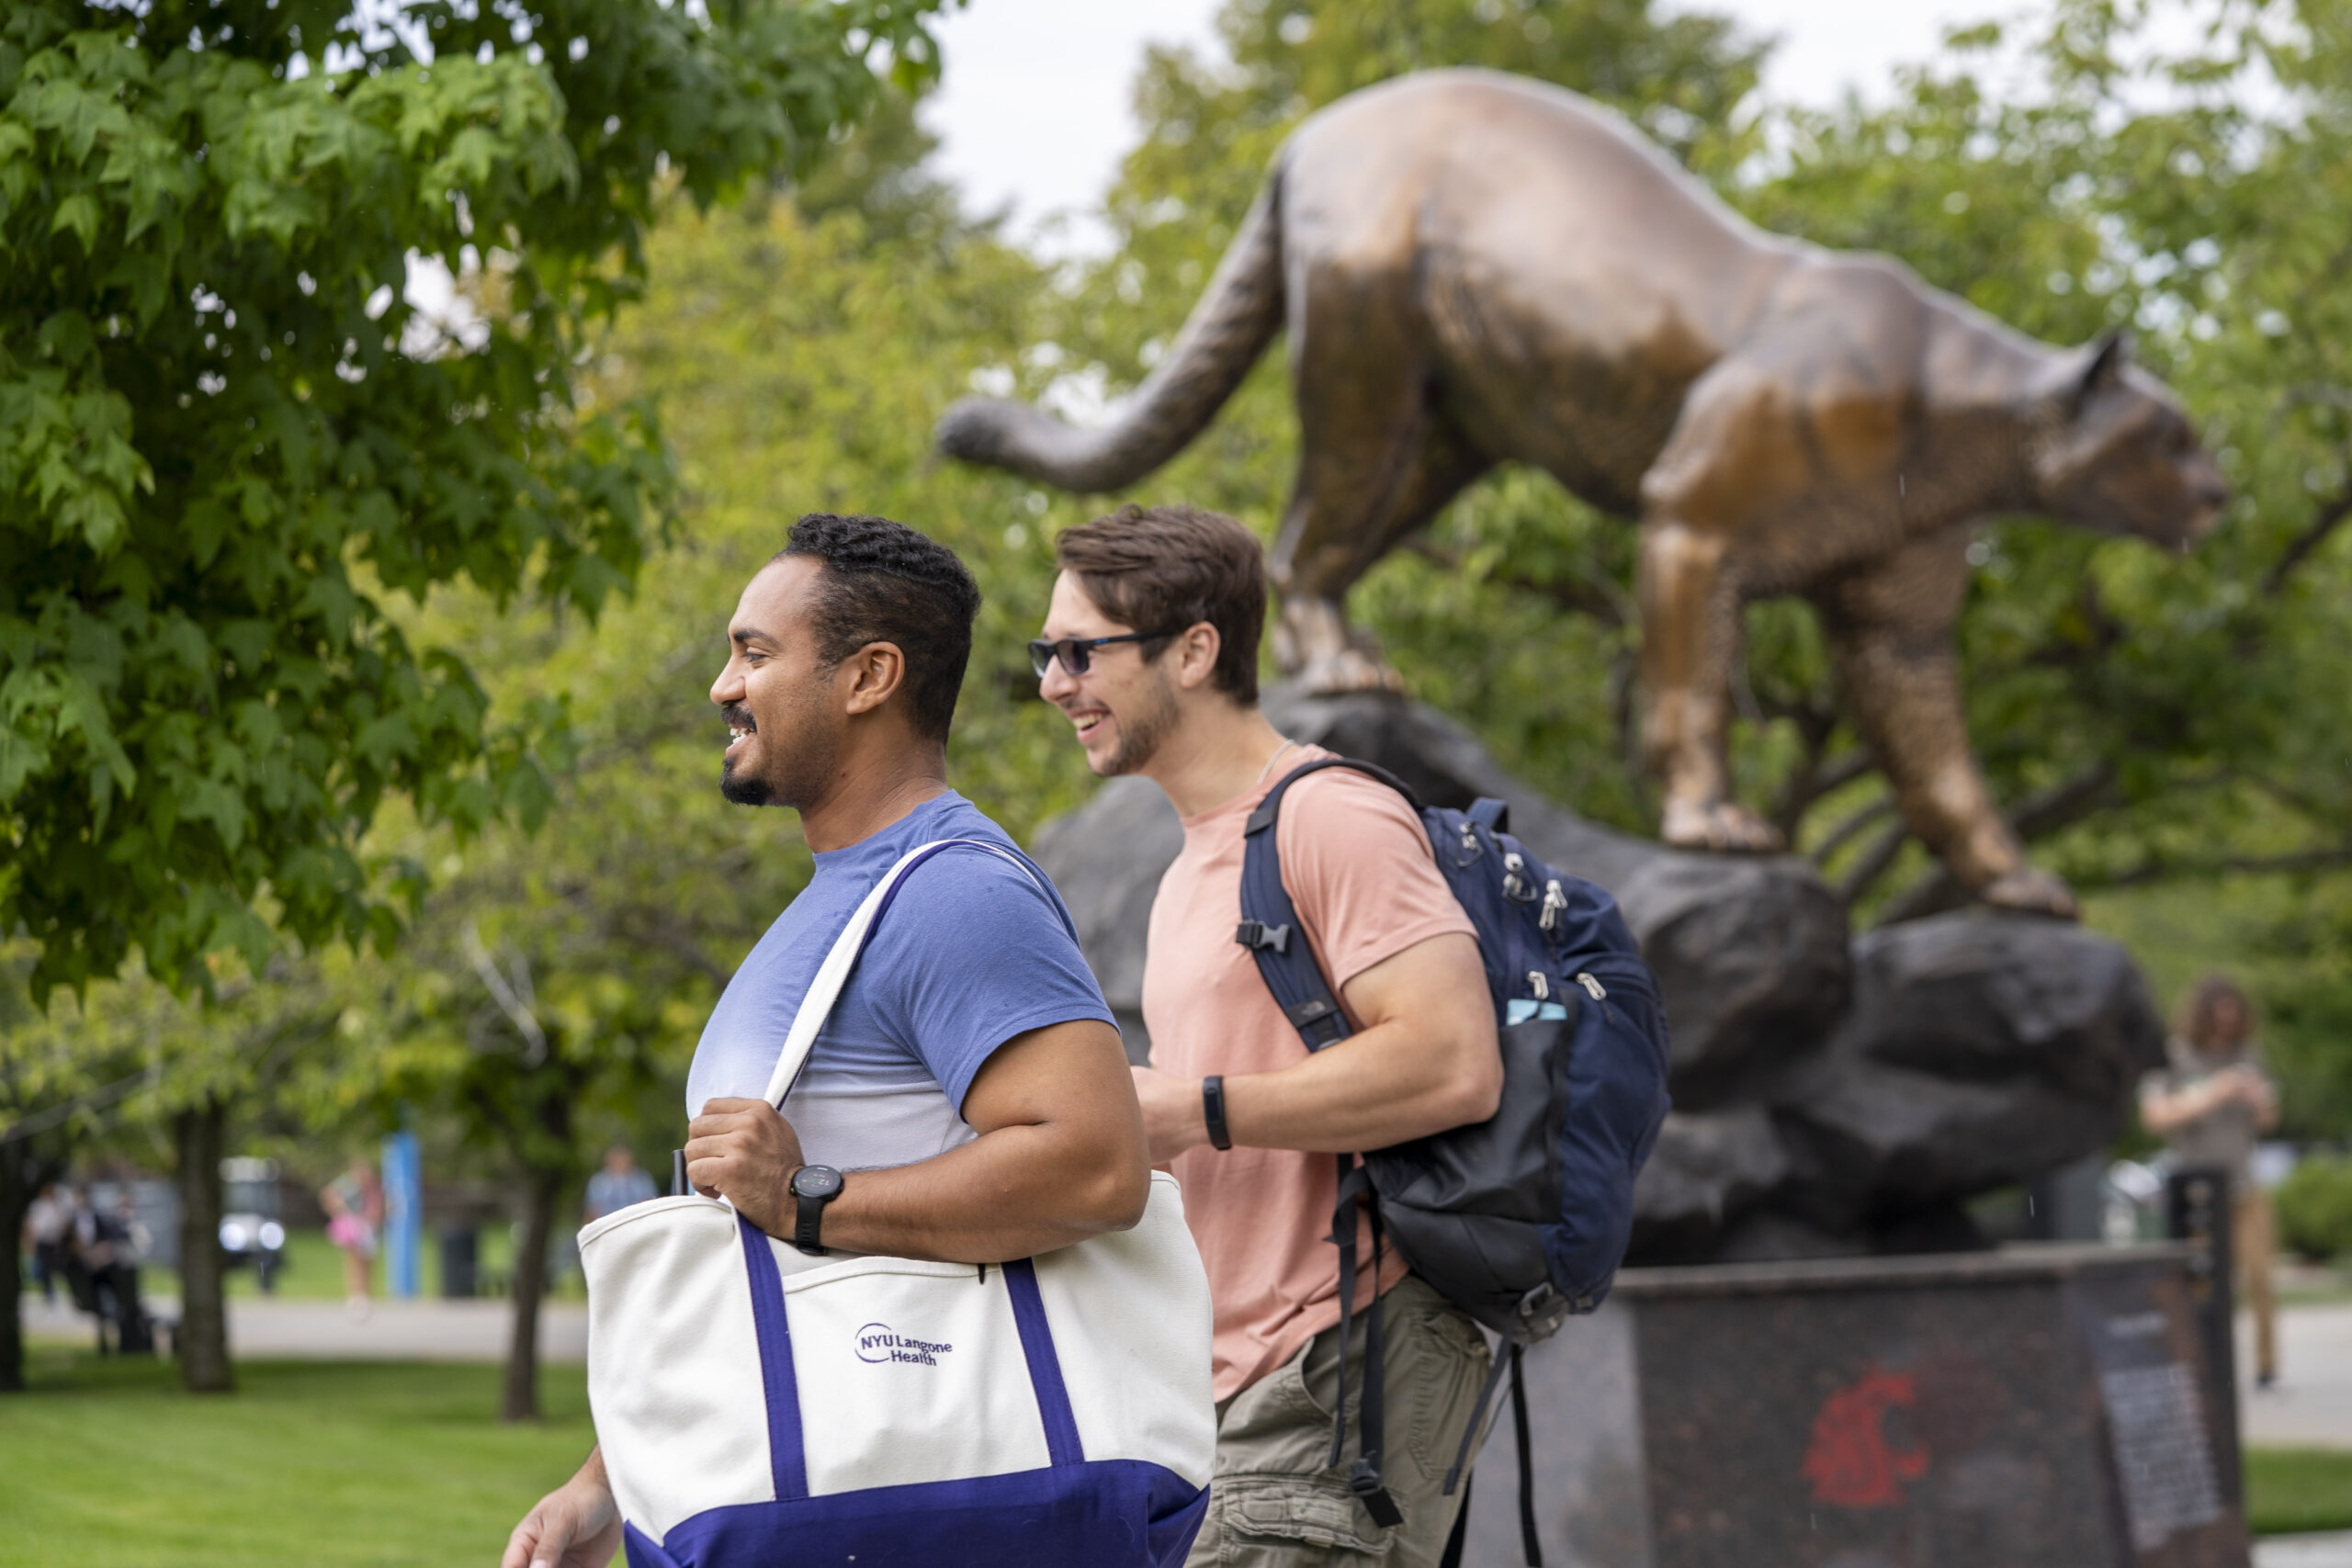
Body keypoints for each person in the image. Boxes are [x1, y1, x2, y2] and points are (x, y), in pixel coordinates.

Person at [502, 513, 1150, 1568]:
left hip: (909, 1514)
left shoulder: (954, 893)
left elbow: (1098, 1167)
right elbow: (746, 1255)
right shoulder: (837, 903)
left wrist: (814, 1197)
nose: (723, 685)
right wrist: (603, 1483)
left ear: (869, 677)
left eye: (756, 653)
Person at [1037, 503, 1506, 1567]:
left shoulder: (1328, 815)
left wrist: (1199, 1109)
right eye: (1045, 653)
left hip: (1336, 1367)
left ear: (1194, 650)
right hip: (1238, 1391)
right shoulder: (1190, 866)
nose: (1052, 683)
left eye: (1079, 651)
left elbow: (1451, 1058)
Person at [2142, 974, 2281, 1386]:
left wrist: (2259, 1101)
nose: (2228, 1022)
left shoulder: (2248, 1054)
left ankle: (2266, 1367)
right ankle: (2198, 1361)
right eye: (2220, 1014)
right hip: (2195, 1190)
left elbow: (2268, 1121)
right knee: (2197, 1282)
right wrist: (2215, 1092)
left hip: (2243, 1183)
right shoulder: (2174, 1055)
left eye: (2234, 1014)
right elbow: (2155, 1117)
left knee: (2260, 1278)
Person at [321, 1157, 383, 1323]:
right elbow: (329, 1194)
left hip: (367, 1228)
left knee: (367, 1261)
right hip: (351, 1227)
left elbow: (376, 1206)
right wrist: (341, 1211)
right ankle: (356, 1296)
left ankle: (364, 1296)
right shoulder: (348, 1184)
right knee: (354, 1261)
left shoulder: (371, 1187)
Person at [582, 1145, 658, 1226]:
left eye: (623, 1160)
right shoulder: (598, 1182)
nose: (620, 1163)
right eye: (616, 1160)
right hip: (607, 1227)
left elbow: (652, 1205)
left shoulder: (643, 1179)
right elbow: (592, 1211)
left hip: (638, 1225)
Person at [24, 1180, 66, 1305]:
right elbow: (32, 1225)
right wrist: (30, 1240)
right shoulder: (37, 1206)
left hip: (53, 1241)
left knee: (53, 1267)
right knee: (43, 1267)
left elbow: (61, 1223)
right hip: (42, 1240)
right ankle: (48, 1291)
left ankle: (51, 1291)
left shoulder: (56, 1205)